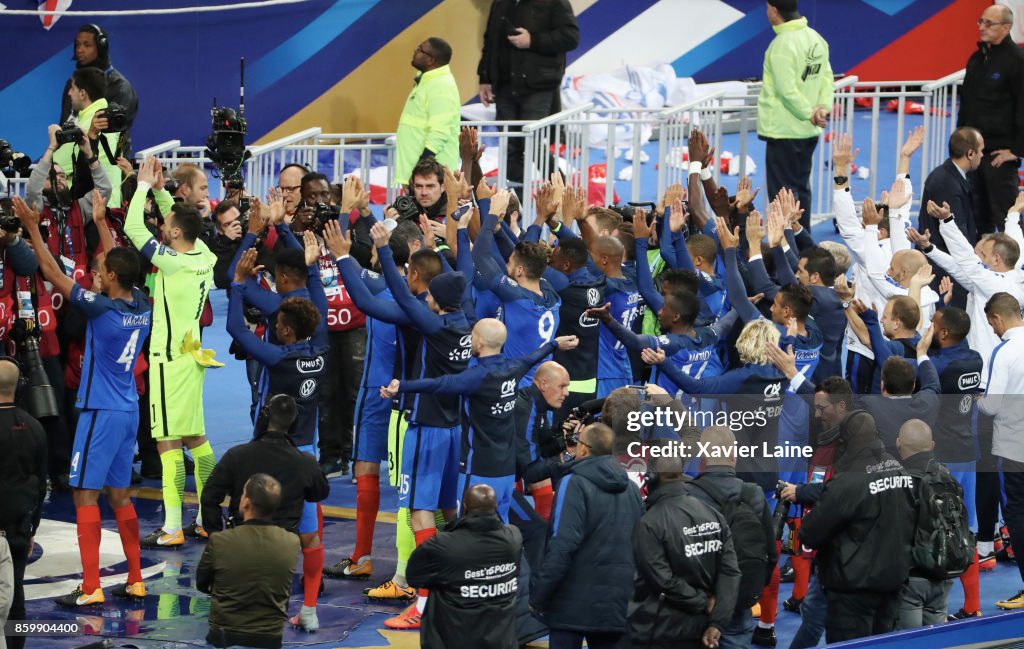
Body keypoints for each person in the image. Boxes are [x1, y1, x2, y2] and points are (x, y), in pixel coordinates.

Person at [14, 197, 152, 608]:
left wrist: (33, 229)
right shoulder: (140, 303)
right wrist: (98, 221)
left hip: (99, 412)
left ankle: (91, 587)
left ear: (111, 277)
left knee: (84, 496)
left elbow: (52, 272)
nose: (95, 274)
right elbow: (121, 264)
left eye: (100, 271)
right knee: (121, 495)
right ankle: (134, 578)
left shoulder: (102, 309)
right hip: (128, 408)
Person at [382, 318, 578, 520]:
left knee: (468, 534)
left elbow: (440, 384)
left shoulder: (476, 377)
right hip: (506, 475)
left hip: (478, 473)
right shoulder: (515, 368)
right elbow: (534, 356)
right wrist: (554, 343)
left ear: (480, 342)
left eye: (472, 335)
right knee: (500, 533)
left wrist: (402, 385)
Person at [124, 157, 219, 548]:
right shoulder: (205, 256)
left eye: (166, 227)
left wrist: (145, 185)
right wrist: (164, 192)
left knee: (166, 443)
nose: (161, 229)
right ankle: (210, 517)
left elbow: (132, 228)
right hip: (193, 358)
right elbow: (178, 222)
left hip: (167, 361)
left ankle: (173, 526)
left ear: (176, 233)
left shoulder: (173, 262)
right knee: (197, 438)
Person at [797, 409, 916, 643]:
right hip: (892, 582)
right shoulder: (900, 470)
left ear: (846, 440)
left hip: (852, 590)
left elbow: (809, 533)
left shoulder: (847, 482)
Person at [531, 423, 644, 649]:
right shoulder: (632, 489)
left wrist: (539, 597)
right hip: (617, 607)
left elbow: (562, 546)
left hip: (570, 609)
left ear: (583, 449)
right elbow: (641, 546)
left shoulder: (573, 482)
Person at [628, 450, 741, 649]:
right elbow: (730, 572)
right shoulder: (713, 515)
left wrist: (703, 602)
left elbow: (662, 579)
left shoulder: (650, 522)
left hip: (660, 630)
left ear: (651, 477)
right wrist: (718, 621)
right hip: (702, 629)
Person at [688, 427, 777, 649]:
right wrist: (747, 590)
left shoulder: (687, 495)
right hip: (737, 605)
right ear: (733, 456)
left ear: (703, 457)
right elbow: (770, 554)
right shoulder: (754, 494)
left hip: (694, 606)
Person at [406, 484, 524, 649]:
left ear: (464, 507)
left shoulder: (443, 545)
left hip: (452, 639)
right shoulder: (514, 537)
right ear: (496, 507)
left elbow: (413, 576)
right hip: (501, 640)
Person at [478, 0, 579, 186]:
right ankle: (517, 203)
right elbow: (490, 40)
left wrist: (533, 40)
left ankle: (562, 193)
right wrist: (484, 77)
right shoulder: (500, 2)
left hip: (539, 84)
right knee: (510, 145)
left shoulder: (555, 2)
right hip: (505, 85)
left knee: (532, 141)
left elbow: (571, 37)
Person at [197, 474, 300, 649]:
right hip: (270, 635)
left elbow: (202, 583)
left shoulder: (221, 540)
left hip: (225, 632)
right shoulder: (291, 542)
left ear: (246, 503)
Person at [757, 0, 834, 230]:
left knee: (783, 197)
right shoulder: (816, 38)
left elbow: (786, 89)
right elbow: (827, 78)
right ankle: (803, 244)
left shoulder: (781, 45)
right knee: (801, 190)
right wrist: (821, 108)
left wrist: (809, 113)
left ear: (773, 10)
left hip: (783, 131)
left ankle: (788, 251)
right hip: (808, 132)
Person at [958, 4, 1024, 236]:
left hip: (999, 154)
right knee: (976, 214)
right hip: (972, 153)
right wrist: (959, 145)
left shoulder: (1017, 60)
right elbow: (966, 103)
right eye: (980, 21)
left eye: (989, 23)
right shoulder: (977, 58)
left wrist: (1016, 150)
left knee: (1008, 216)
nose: (981, 27)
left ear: (1006, 28)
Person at [977, 292, 1024, 609]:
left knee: (1018, 517)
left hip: (1013, 449)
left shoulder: (1004, 351)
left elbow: (991, 405)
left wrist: (976, 400)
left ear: (995, 318)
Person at [0, 359, 47, 649]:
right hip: (18, 528)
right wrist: (31, 529)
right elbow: (41, 485)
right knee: (16, 598)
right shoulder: (34, 427)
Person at [895, 420, 957, 629]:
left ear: (898, 444)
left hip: (912, 578)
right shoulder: (947, 476)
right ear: (932, 445)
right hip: (944, 574)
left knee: (910, 642)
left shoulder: (896, 481)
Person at [60, 25, 138, 156]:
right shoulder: (72, 84)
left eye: (87, 45)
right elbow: (65, 123)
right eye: (77, 45)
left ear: (102, 47)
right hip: (75, 162)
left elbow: (119, 133)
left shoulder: (120, 87)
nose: (79, 50)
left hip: (110, 163)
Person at [394, 38, 461, 186]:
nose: (415, 51)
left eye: (419, 49)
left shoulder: (441, 86)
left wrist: (420, 169)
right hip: (420, 176)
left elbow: (439, 132)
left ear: (430, 60)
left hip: (431, 178)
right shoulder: (427, 81)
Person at [53, 67, 123, 208]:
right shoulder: (109, 119)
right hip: (111, 204)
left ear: (82, 93)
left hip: (92, 209)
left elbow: (57, 164)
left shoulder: (87, 124)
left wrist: (53, 143)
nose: (69, 93)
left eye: (72, 88)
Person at [918, 128, 984, 260]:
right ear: (970, 153)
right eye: (981, 150)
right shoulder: (947, 184)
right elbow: (957, 233)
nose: (982, 155)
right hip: (945, 269)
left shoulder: (949, 175)